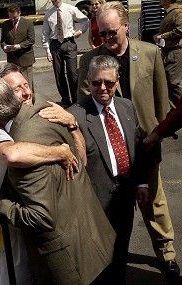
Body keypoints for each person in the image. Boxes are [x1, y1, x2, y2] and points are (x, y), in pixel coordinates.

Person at [0, 73, 115, 285]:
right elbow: (81, 164)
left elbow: (39, 218)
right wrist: (65, 142)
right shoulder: (49, 112)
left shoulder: (24, 154)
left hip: (68, 261)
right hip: (94, 238)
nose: (26, 91)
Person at [77, 1, 180, 282]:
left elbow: (161, 99)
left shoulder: (148, 53)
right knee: (112, 207)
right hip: (108, 147)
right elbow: (82, 107)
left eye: (112, 32)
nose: (107, 39)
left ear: (126, 26)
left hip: (144, 143)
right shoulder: (89, 61)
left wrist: (158, 134)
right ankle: (110, 256)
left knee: (153, 202)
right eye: (102, 33)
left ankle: (166, 253)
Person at [0, 63, 80, 285]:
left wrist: (72, 124)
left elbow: (80, 162)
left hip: (49, 227)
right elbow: (12, 155)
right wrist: (59, 151)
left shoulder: (43, 115)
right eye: (15, 89)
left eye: (26, 84)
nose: (26, 92)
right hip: (12, 228)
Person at [67, 55, 149, 284]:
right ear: (89, 81)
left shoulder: (126, 107)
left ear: (117, 81)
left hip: (125, 196)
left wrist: (141, 183)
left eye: (109, 83)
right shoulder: (76, 115)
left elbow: (137, 147)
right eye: (96, 83)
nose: (102, 88)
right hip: (94, 201)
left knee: (121, 250)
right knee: (99, 262)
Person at [42, 0, 89, 107]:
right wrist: (47, 50)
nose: (54, 0)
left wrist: (80, 31)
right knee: (59, 75)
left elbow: (85, 20)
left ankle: (76, 100)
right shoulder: (49, 13)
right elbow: (45, 32)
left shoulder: (70, 9)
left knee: (72, 73)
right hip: (55, 45)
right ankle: (65, 100)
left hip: (69, 43)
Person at [0, 4, 35, 92]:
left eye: (15, 17)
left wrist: (19, 46)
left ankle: (30, 101)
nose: (13, 19)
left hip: (25, 59)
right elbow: (2, 40)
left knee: (27, 83)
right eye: (11, 17)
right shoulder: (5, 24)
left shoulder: (28, 23)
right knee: (15, 84)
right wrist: (4, 46)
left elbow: (31, 40)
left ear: (19, 13)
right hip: (12, 60)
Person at [153, 0, 182, 105]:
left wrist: (162, 36)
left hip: (175, 51)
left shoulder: (177, 12)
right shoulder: (169, 13)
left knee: (174, 83)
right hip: (169, 51)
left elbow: (180, 30)